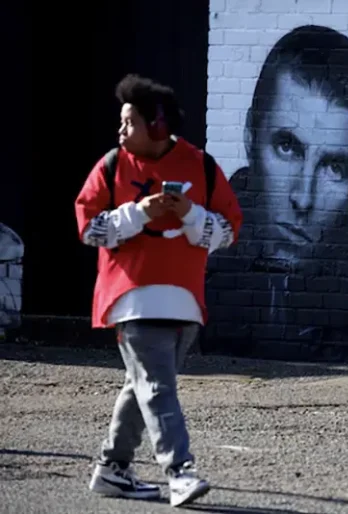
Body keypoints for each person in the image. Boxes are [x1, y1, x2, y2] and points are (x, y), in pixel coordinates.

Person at [205, 25, 348, 366]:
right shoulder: (182, 303)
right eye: (287, 148)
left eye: (334, 168)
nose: (303, 197)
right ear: (250, 138)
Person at [74, 74, 243, 507]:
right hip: (131, 296)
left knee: (145, 385)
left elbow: (228, 230)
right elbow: (89, 228)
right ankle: (180, 472)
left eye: (129, 122)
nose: (121, 131)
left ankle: (113, 469)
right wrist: (137, 214)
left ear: (158, 125)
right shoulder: (112, 164)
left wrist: (189, 214)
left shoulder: (200, 165)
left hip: (184, 300)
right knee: (157, 387)